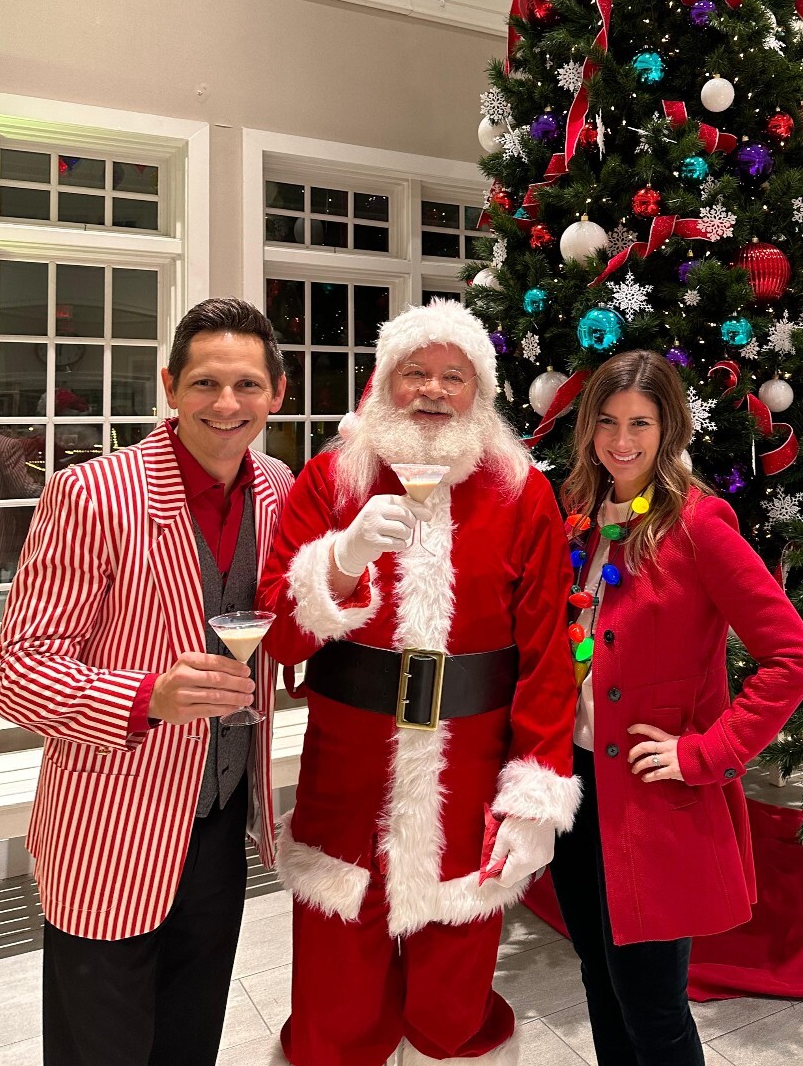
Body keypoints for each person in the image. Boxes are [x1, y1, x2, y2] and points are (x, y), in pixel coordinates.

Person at [257, 298, 580, 1066]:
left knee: (453, 993)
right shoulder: (330, 479)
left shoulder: (521, 491)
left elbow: (545, 651)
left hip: (469, 768)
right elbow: (276, 634)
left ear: (481, 394)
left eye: (453, 377)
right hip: (350, 767)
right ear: (382, 383)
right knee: (338, 991)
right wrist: (339, 558)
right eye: (415, 374)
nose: (433, 390)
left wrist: (537, 789)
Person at [0, 298, 293, 1066]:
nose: (227, 405)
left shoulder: (278, 487)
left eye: (248, 386)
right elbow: (15, 671)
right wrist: (144, 696)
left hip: (221, 818)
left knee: (191, 1040)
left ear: (276, 394)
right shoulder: (93, 494)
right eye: (206, 384)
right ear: (169, 385)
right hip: (109, 825)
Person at [548, 349, 803, 1066]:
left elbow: (793, 658)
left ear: (669, 427)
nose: (621, 440)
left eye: (640, 421)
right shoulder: (579, 515)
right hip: (574, 795)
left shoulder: (698, 525)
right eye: (606, 421)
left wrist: (705, 752)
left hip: (652, 802)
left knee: (654, 1009)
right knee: (599, 984)